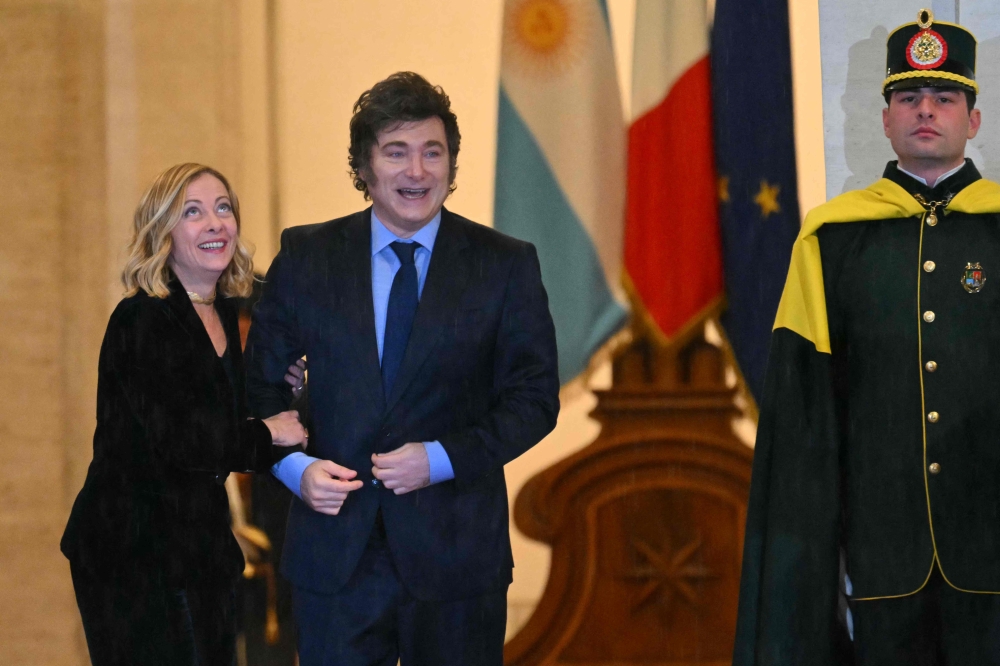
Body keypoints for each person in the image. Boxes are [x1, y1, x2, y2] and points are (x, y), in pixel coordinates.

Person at [245, 71, 560, 666]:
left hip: (458, 558)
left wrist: (439, 458)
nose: (416, 172)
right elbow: (259, 390)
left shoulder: (505, 265)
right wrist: (292, 469)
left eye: (431, 153)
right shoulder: (307, 257)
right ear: (363, 167)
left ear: (451, 164)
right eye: (396, 152)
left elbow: (534, 401)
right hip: (334, 555)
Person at [733, 9, 1000, 665]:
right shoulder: (831, 241)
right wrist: (820, 559)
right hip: (879, 559)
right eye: (909, 97)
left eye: (945, 96)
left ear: (974, 119)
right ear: (885, 119)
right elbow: (803, 418)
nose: (926, 110)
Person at [61, 163, 309, 666]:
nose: (215, 222)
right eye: (192, 212)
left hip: (195, 545)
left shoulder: (217, 311)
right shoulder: (143, 317)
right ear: (163, 234)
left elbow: (206, 401)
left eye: (223, 208)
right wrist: (268, 432)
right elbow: (183, 439)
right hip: (132, 552)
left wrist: (276, 382)